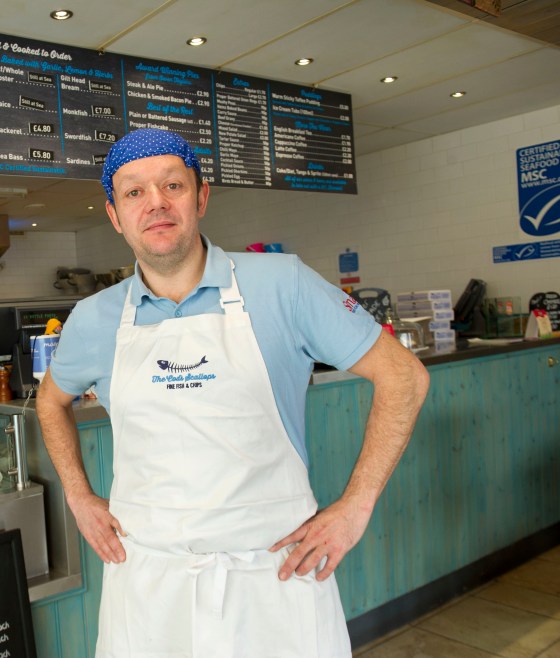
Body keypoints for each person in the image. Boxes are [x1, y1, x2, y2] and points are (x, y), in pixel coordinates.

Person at [36, 128, 430, 657]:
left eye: (172, 185)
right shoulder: (94, 318)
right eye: (134, 192)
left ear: (200, 196)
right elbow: (50, 400)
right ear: (114, 215)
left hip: (273, 581)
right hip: (148, 590)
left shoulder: (280, 283)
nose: (155, 203)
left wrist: (356, 506)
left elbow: (404, 375)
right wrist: (78, 497)